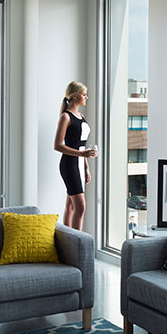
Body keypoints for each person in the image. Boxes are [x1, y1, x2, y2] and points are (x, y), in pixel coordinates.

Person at [54, 81, 97, 230]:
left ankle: (68, 238)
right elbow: (57, 145)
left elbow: (81, 145)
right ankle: (78, 240)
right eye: (84, 94)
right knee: (80, 207)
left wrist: (86, 168)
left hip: (80, 165)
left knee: (71, 205)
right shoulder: (65, 117)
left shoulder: (81, 116)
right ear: (74, 96)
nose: (86, 97)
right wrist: (81, 153)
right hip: (69, 165)